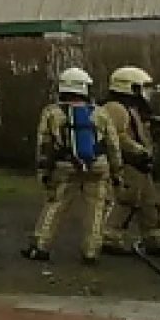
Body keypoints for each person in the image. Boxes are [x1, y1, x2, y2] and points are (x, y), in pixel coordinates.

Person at [22, 67, 115, 266]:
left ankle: (41, 247)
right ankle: (91, 252)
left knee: (56, 205)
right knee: (96, 208)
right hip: (98, 166)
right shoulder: (100, 112)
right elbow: (112, 144)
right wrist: (117, 170)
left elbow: (43, 144)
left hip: (65, 166)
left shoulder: (51, 112)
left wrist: (43, 170)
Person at [100, 66, 160, 258]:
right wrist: (138, 150)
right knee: (127, 200)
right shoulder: (115, 108)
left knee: (150, 203)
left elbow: (138, 131)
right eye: (140, 87)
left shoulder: (133, 107)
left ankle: (155, 241)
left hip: (140, 163)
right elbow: (117, 135)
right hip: (128, 162)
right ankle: (109, 238)